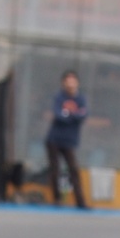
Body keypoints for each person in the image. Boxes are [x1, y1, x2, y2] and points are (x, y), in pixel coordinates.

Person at [45, 70, 89, 209]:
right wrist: (73, 115)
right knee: (55, 170)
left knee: (73, 169)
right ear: (63, 83)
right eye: (68, 81)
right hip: (54, 139)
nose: (70, 84)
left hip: (69, 141)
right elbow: (59, 115)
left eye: (73, 80)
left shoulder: (81, 99)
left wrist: (68, 114)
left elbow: (83, 115)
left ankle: (80, 202)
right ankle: (57, 199)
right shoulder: (59, 97)